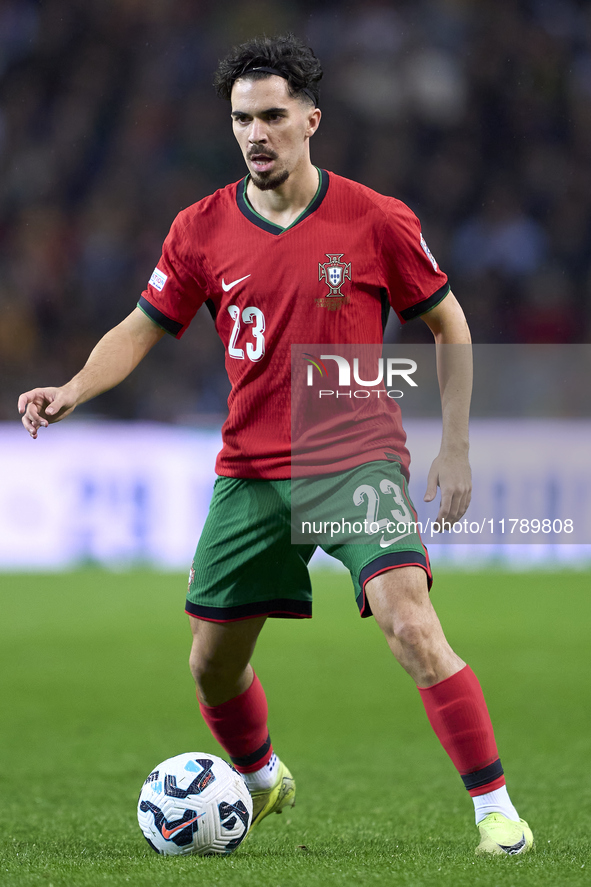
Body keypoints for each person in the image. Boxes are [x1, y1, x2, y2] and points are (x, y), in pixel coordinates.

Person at [18, 34, 533, 856]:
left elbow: (448, 322)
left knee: (411, 624)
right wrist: (73, 386)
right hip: (251, 473)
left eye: (270, 116)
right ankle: (261, 779)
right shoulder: (200, 229)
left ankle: (495, 810)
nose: (255, 133)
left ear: (310, 121)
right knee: (211, 667)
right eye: (240, 119)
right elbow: (140, 327)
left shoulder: (375, 219)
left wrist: (457, 445)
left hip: (354, 459)